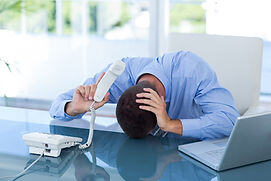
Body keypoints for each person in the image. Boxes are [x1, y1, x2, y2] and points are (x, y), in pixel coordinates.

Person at [49, 50, 240, 140]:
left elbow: (230, 122)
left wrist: (171, 124)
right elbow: (55, 106)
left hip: (192, 146)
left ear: (162, 105)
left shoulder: (191, 69)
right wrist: (73, 108)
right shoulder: (117, 77)